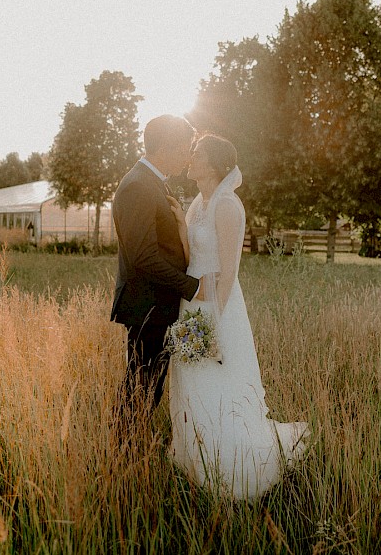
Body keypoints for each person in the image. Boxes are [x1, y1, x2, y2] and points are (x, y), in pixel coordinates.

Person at [167, 134, 309, 501]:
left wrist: (211, 326)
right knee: (192, 383)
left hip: (218, 308)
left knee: (219, 384)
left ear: (213, 162)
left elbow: (228, 271)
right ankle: (198, 461)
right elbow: (189, 258)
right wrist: (181, 227)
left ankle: (232, 471)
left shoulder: (228, 205)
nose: (189, 156)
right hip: (191, 303)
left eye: (195, 152)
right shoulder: (198, 203)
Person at [111, 115, 201, 432]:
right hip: (147, 305)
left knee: (148, 386)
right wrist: (191, 286)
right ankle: (124, 452)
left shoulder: (150, 181)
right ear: (166, 147)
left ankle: (129, 448)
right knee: (141, 388)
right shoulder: (138, 185)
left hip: (155, 304)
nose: (188, 157)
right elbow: (143, 257)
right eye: (185, 149)